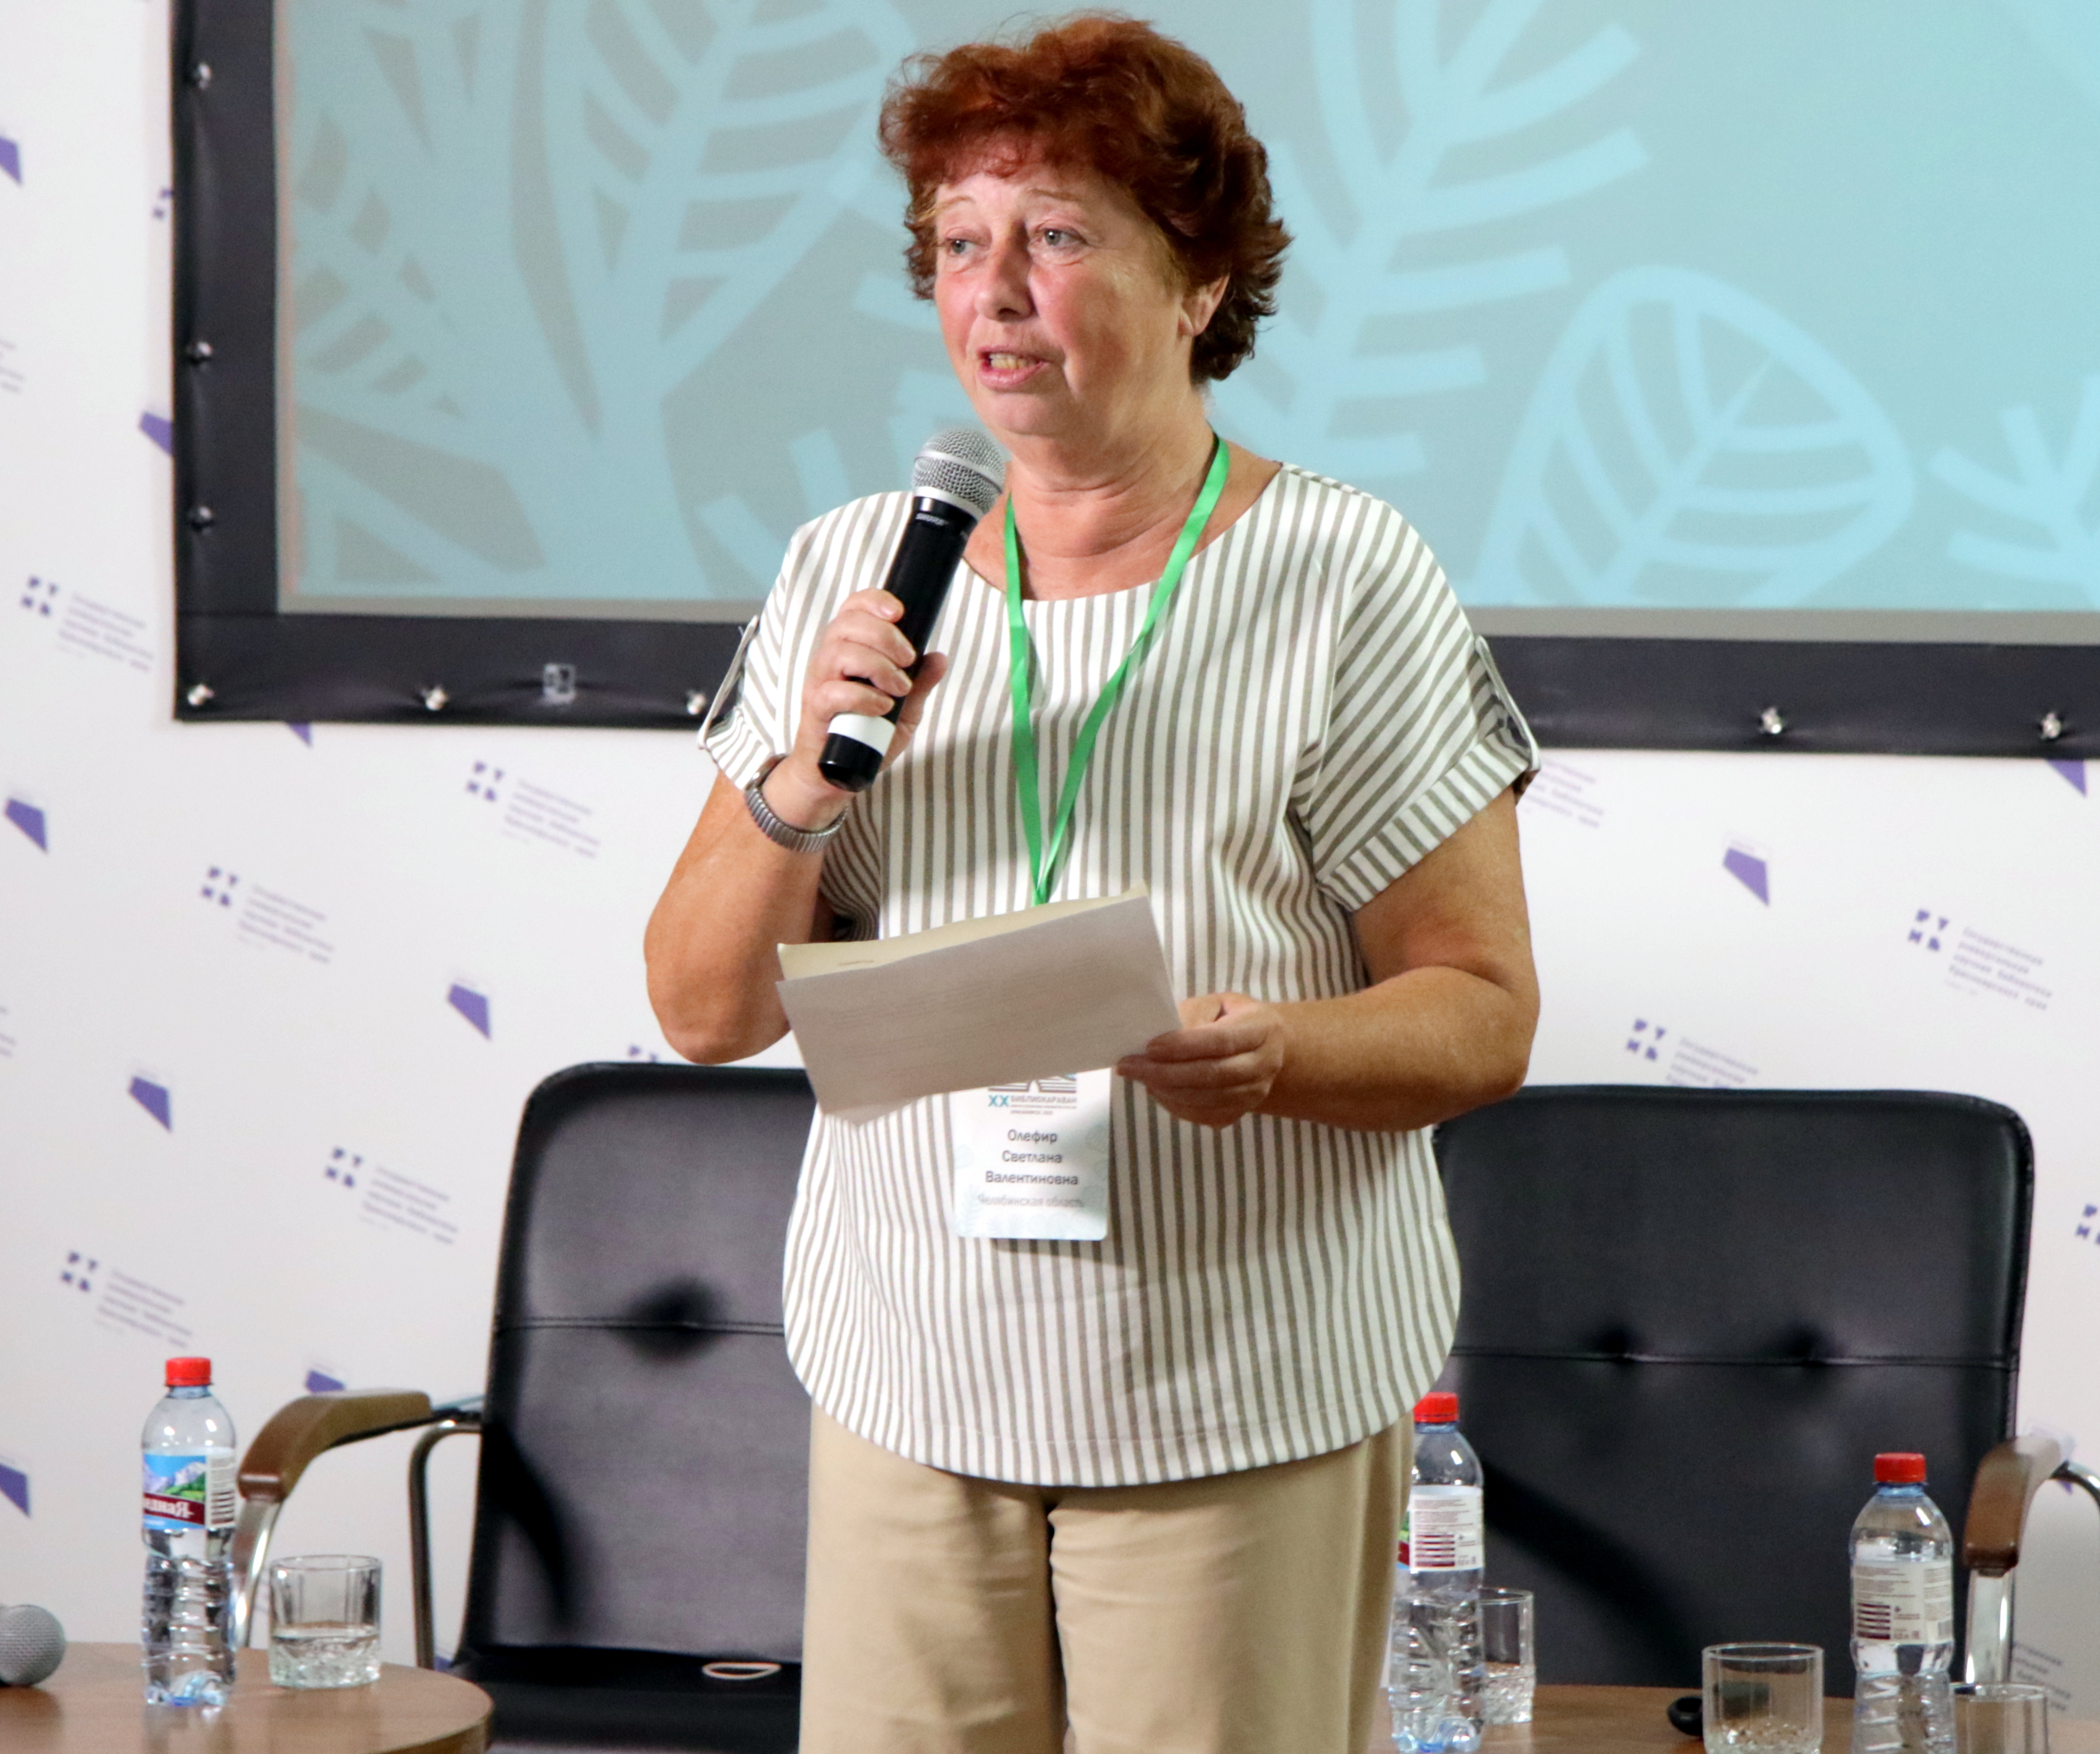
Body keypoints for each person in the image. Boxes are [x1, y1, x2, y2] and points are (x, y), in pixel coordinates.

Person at [644, 16, 1540, 1753]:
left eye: (1054, 236)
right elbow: (699, 1011)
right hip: (913, 1375)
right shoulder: (850, 571)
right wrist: (796, 784)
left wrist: (1280, 1052)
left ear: (1199, 283)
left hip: (1235, 1393)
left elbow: (1482, 1015)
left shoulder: (1342, 574)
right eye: (956, 244)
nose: (993, 293)